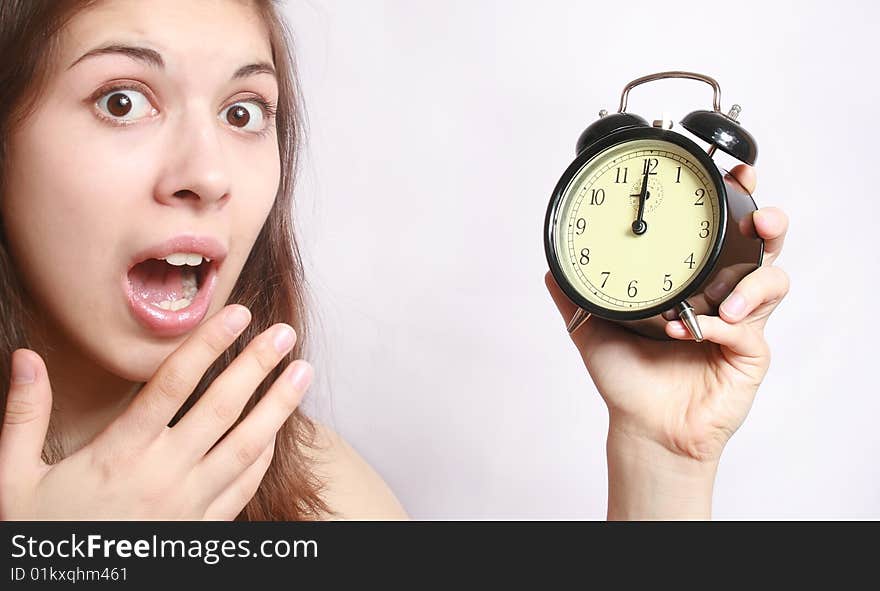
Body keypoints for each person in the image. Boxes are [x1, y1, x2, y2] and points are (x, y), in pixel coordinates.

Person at [0, 0, 789, 521]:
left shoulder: (317, 489)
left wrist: (661, 461)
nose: (207, 174)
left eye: (244, 112)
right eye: (122, 101)